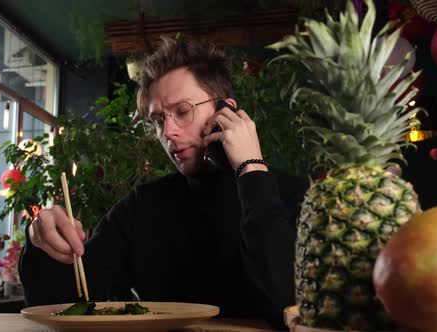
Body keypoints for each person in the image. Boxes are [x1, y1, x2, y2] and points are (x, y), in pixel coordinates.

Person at [19, 36, 308, 329]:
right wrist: (40, 243)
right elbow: (61, 304)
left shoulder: (294, 195)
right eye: (158, 120)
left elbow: (286, 305)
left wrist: (252, 170)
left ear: (227, 111)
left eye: (182, 111)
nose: (167, 131)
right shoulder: (142, 206)